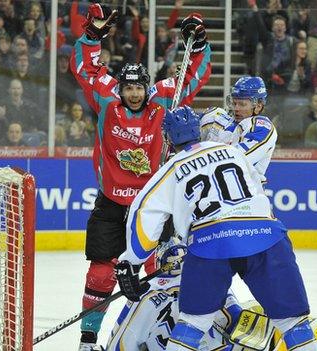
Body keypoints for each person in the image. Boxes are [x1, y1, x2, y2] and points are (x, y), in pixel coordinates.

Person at [115, 106, 317, 351]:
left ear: (168, 138)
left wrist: (131, 263)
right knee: (293, 323)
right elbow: (257, 185)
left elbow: (144, 213)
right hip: (265, 234)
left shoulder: (169, 170)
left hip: (211, 241)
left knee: (193, 323)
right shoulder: (232, 151)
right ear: (198, 132)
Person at [69, 4, 211, 350]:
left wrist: (201, 45)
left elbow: (192, 77)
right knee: (101, 274)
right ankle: (89, 339)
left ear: (147, 87)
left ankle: (140, 337)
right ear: (121, 87)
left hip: (151, 207)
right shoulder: (106, 98)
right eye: (128, 88)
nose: (134, 93)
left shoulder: (163, 99)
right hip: (112, 204)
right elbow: (84, 69)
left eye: (139, 88)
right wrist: (92, 37)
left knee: (154, 276)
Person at [107, 238, 317, 351]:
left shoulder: (144, 298)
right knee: (257, 311)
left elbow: (120, 344)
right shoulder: (207, 280)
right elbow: (236, 319)